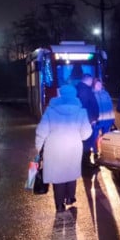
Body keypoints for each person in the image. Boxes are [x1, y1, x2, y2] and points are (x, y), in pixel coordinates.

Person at [35, 84, 92, 212]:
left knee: (58, 176)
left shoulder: (50, 110)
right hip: (73, 146)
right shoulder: (81, 111)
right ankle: (70, 197)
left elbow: (41, 130)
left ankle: (59, 205)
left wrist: (39, 147)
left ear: (59, 94)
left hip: (55, 147)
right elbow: (86, 133)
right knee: (71, 173)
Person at [75, 73, 99, 166]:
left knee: (85, 141)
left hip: (85, 121)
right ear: (88, 80)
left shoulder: (80, 88)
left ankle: (84, 162)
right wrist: (92, 119)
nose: (92, 82)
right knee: (87, 141)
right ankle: (85, 163)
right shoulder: (84, 90)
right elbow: (84, 107)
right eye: (91, 81)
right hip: (87, 121)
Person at [92, 78, 115, 158]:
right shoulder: (92, 94)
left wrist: (112, 117)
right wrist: (92, 119)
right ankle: (95, 152)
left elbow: (110, 106)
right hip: (97, 120)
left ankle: (105, 152)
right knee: (95, 136)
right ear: (94, 85)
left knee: (106, 137)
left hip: (107, 119)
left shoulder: (105, 93)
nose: (99, 86)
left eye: (100, 84)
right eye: (97, 84)